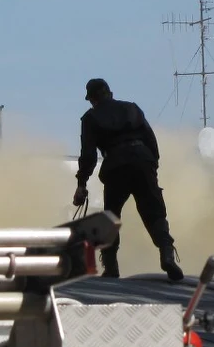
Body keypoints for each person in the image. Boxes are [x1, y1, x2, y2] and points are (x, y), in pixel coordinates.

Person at [73, 78, 184, 281]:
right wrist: (151, 167)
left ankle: (111, 267)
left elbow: (88, 155)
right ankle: (167, 254)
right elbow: (151, 141)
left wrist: (81, 183)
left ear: (93, 99)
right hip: (143, 161)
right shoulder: (132, 108)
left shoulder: (90, 118)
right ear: (110, 93)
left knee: (111, 217)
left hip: (116, 166)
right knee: (154, 212)